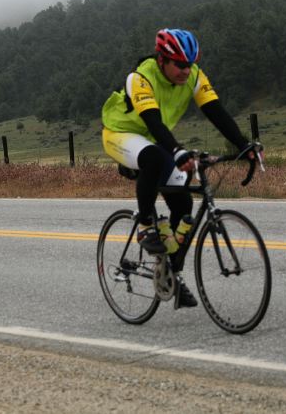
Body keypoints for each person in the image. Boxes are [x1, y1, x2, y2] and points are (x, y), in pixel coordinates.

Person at [101, 28, 253, 308]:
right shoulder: (140, 77)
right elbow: (153, 122)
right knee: (156, 159)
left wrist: (244, 146)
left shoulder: (194, 75)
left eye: (190, 64)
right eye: (180, 65)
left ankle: (170, 274)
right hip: (122, 134)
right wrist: (176, 150)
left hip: (157, 140)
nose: (186, 71)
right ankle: (146, 225)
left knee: (183, 205)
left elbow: (216, 112)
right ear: (162, 60)